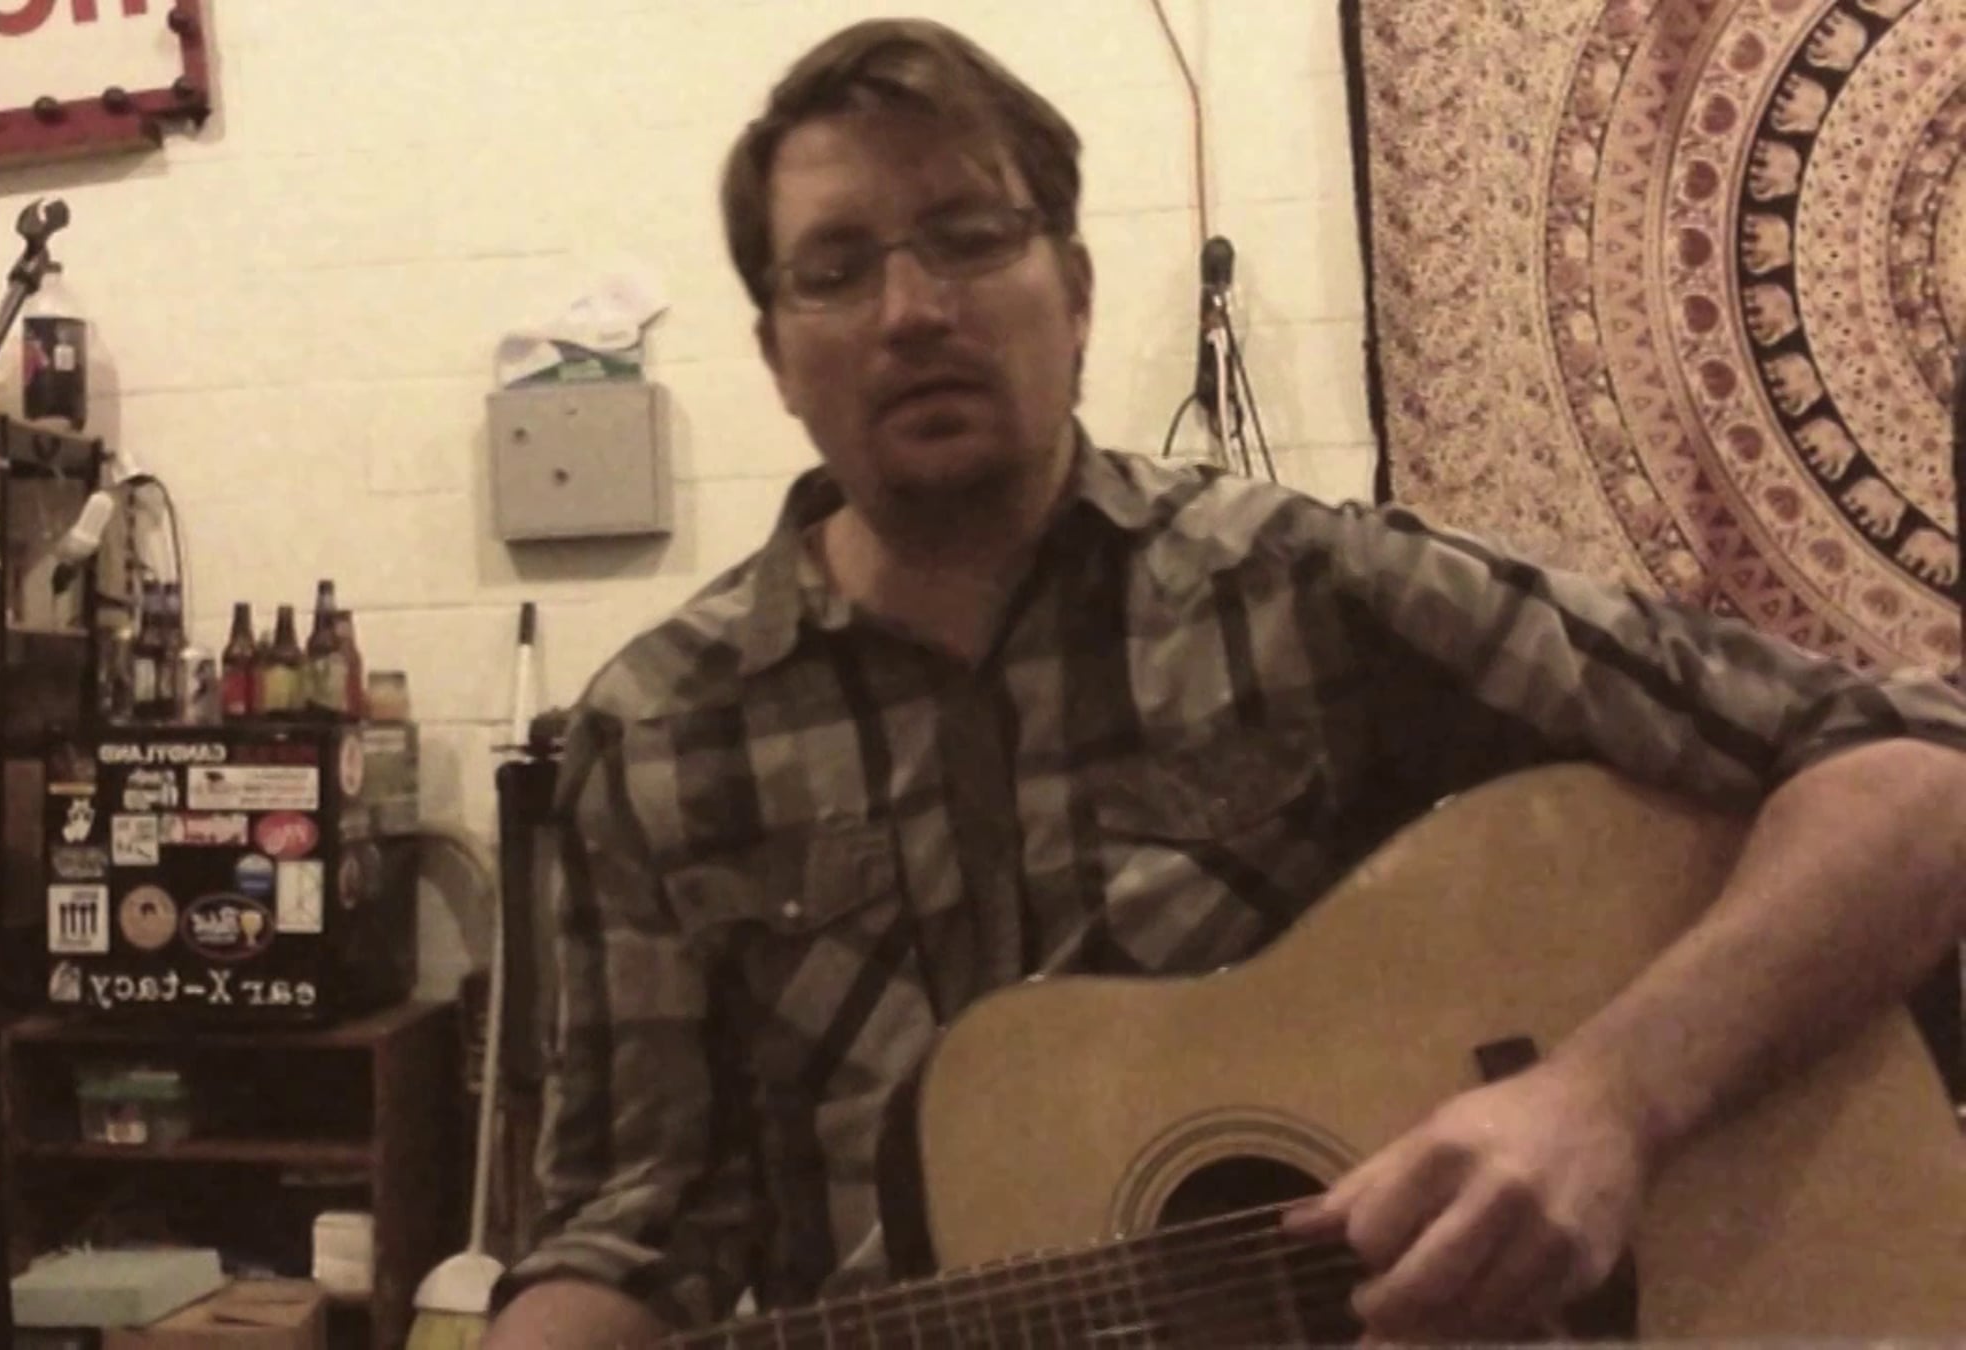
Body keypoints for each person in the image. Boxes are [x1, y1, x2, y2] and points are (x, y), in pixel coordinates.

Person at [482, 18, 1966, 1346]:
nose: (912, 308)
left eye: (969, 236)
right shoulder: (660, 734)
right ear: (775, 357)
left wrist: (1607, 1101)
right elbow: (634, 1219)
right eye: (835, 269)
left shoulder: (1310, 587)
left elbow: (1918, 768)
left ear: (1073, 293)